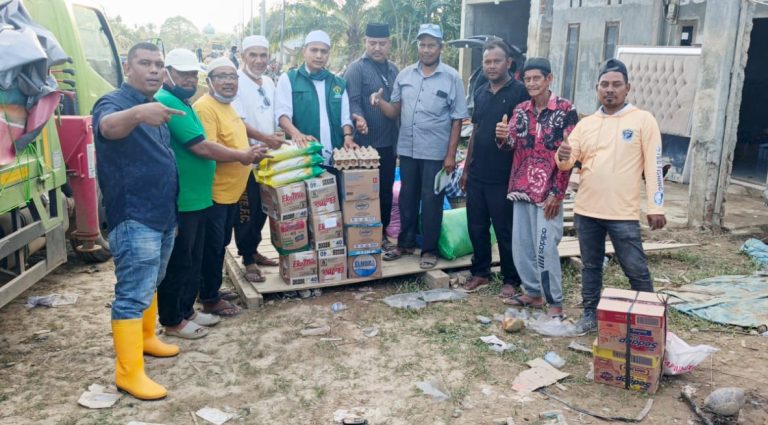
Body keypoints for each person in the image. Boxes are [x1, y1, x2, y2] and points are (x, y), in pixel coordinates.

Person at [155, 48, 267, 339]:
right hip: (194, 195)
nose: (189, 79)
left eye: (193, 73)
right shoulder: (182, 104)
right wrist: (243, 155)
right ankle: (179, 314)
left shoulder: (192, 102)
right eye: (182, 74)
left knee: (199, 253)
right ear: (168, 73)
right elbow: (201, 147)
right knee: (186, 257)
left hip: (205, 194)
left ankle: (189, 309)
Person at [92, 42, 182, 400]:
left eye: (159, 64)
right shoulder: (114, 103)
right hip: (134, 214)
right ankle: (128, 373)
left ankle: (146, 338)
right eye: (145, 63)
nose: (154, 70)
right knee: (132, 292)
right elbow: (107, 128)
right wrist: (139, 114)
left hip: (162, 212)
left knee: (152, 281)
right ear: (128, 67)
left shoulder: (154, 106)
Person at [556, 58, 666, 333]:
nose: (610, 90)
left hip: (622, 213)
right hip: (586, 210)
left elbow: (653, 166)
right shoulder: (587, 124)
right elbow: (566, 163)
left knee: (635, 268)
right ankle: (589, 315)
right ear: (597, 88)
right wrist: (563, 155)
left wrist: (656, 206)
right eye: (604, 84)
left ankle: (649, 320)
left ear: (627, 88)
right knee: (591, 267)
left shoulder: (643, 120)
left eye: (616, 84)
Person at [373, 23, 468, 269]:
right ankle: (405, 244)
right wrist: (380, 102)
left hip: (436, 153)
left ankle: (429, 249)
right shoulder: (404, 76)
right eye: (423, 45)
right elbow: (394, 111)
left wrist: (451, 155)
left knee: (432, 201)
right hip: (407, 149)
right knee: (407, 198)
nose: (426, 50)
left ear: (440, 47)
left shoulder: (451, 77)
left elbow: (458, 119)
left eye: (431, 45)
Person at [496, 58, 578, 319]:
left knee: (545, 248)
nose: (531, 83)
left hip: (548, 193)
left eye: (536, 78)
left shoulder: (565, 109)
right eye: (527, 79)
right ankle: (533, 293)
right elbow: (511, 144)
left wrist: (557, 193)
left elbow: (570, 154)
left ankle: (555, 303)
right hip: (521, 188)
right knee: (522, 247)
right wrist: (502, 136)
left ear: (549, 79)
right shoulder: (520, 110)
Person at [194, 57, 267, 317]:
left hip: (231, 191)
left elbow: (239, 130)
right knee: (212, 246)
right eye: (221, 76)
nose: (228, 82)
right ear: (209, 81)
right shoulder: (205, 108)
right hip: (216, 192)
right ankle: (210, 299)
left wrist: (260, 144)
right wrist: (242, 155)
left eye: (232, 77)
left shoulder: (227, 105)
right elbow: (209, 148)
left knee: (220, 243)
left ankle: (210, 290)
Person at [458, 39, 527, 297]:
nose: (492, 66)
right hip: (478, 172)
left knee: (504, 228)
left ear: (508, 62)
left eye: (497, 61)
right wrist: (466, 168)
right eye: (487, 62)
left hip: (504, 175)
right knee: (476, 225)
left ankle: (511, 278)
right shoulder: (480, 91)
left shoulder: (520, 93)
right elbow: (475, 130)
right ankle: (481, 272)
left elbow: (525, 133)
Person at [232, 35, 286, 284]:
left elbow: (274, 116)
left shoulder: (269, 82)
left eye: (263, 55)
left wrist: (277, 135)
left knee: (263, 208)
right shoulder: (236, 81)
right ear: (243, 56)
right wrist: (266, 138)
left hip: (268, 158)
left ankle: (254, 250)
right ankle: (247, 259)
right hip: (246, 158)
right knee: (246, 210)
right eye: (253, 55)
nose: (258, 60)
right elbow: (238, 122)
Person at [343, 23, 400, 250]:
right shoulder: (356, 69)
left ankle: (382, 234)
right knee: (363, 194)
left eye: (382, 43)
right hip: (364, 146)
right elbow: (352, 100)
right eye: (372, 43)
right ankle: (359, 236)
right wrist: (358, 118)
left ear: (389, 44)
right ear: (365, 42)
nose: (377, 48)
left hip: (388, 145)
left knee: (385, 191)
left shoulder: (394, 70)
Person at [275, 30, 357, 165]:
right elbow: (282, 115)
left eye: (324, 51)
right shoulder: (290, 79)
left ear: (328, 54)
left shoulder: (338, 83)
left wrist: (348, 137)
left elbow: (345, 118)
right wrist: (296, 134)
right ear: (304, 51)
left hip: (337, 156)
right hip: (304, 156)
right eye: (314, 50)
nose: (319, 55)